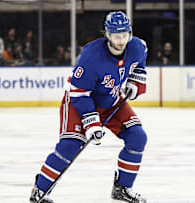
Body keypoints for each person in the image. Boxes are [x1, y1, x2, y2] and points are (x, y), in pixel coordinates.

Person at [30, 11, 148, 203]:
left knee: (137, 137)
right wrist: (91, 123)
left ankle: (122, 188)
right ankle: (40, 189)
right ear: (107, 35)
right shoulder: (91, 56)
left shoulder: (137, 46)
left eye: (125, 35)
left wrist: (135, 82)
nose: (121, 40)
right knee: (70, 145)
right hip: (80, 102)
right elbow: (79, 93)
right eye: (117, 36)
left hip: (111, 100)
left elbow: (139, 65)